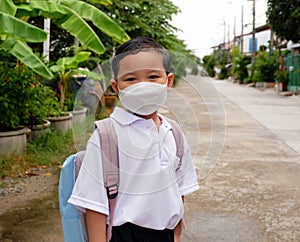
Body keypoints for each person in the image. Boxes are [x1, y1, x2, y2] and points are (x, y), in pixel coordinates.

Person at [68, 36, 199, 242]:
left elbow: (179, 189)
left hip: (165, 234)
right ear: (116, 87)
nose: (143, 86)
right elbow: (94, 204)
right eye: (131, 79)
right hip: (123, 234)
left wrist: (176, 235)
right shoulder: (106, 135)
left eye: (153, 76)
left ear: (168, 81)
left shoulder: (173, 132)